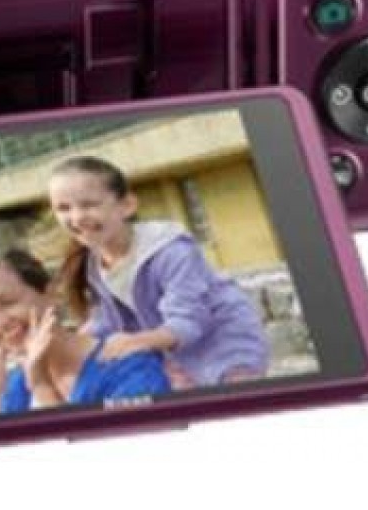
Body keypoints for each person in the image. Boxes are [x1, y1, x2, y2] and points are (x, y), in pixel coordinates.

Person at [47, 156, 268, 388]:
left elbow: (189, 319)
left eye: (89, 205)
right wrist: (71, 340)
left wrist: (136, 342)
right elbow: (110, 318)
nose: (77, 217)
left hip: (224, 343)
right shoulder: (95, 263)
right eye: (63, 208)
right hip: (175, 351)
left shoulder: (171, 250)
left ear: (127, 205)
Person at [0, 247, 170, 414]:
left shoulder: (129, 365)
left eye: (8, 303)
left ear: (51, 295)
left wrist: (41, 386)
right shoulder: (13, 383)